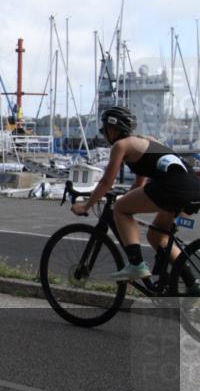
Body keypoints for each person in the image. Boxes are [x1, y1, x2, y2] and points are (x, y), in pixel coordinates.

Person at [71, 106, 200, 293]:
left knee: (120, 209)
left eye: (104, 130)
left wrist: (86, 205)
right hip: (193, 188)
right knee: (157, 236)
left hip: (171, 188)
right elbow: (139, 185)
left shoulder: (120, 145)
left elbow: (107, 182)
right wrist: (124, 198)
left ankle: (136, 264)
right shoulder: (146, 141)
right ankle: (192, 285)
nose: (104, 135)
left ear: (112, 130)